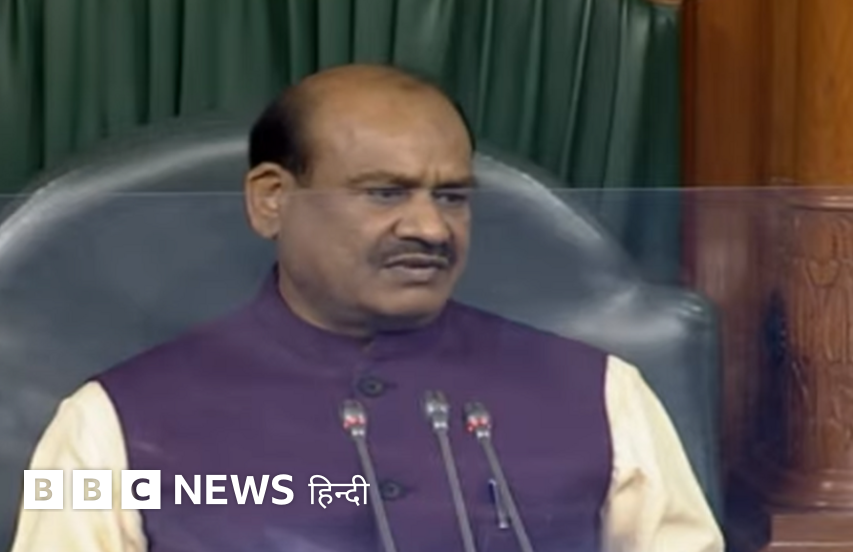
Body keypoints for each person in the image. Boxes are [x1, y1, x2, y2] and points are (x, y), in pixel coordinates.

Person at [8, 64, 723, 552]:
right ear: (272, 200)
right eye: (385, 193)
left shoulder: (605, 394)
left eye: (451, 196)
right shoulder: (108, 423)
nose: (431, 228)